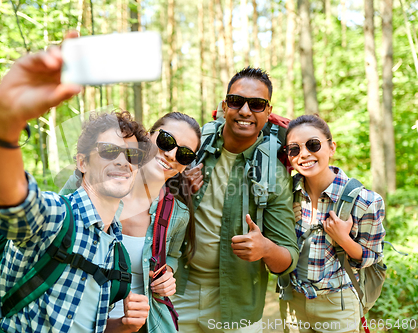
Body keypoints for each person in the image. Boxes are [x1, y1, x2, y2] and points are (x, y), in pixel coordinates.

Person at [0, 32, 150, 333]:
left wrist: (122, 325)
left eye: (132, 155)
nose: (123, 162)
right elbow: (12, 199)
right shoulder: (56, 217)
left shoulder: (116, 248)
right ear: (82, 162)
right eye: (110, 151)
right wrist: (4, 124)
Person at [172, 67, 299, 332]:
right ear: (224, 105)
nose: (244, 111)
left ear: (267, 111)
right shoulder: (194, 148)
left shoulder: (273, 173)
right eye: (236, 101)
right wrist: (179, 188)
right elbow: (147, 192)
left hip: (236, 302)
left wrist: (265, 248)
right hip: (176, 289)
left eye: (256, 105)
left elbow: (288, 258)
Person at [61, 112, 202, 333]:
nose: (172, 154)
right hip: (75, 320)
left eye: (184, 154)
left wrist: (168, 275)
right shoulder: (93, 180)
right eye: (166, 141)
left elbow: (172, 255)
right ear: (147, 138)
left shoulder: (177, 214)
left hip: (145, 325)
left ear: (185, 165)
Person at [279, 115, 386, 333]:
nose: (304, 154)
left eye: (313, 144)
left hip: (338, 305)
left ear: (331, 148)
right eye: (294, 149)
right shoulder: (284, 195)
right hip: (293, 303)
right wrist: (284, 220)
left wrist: (343, 239)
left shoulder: (365, 201)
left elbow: (372, 257)